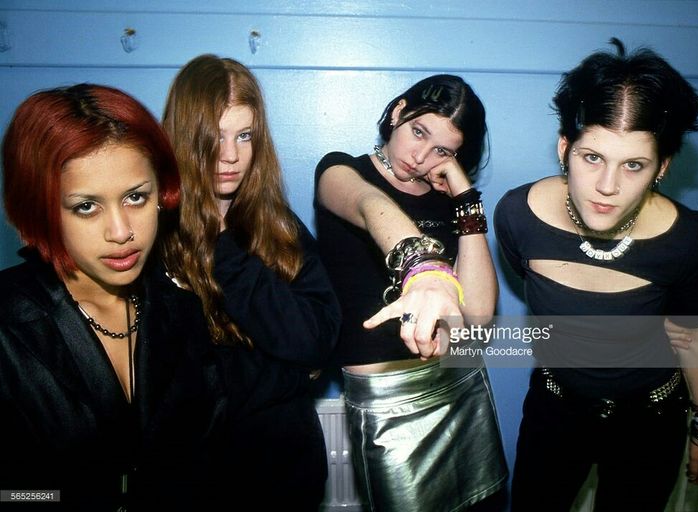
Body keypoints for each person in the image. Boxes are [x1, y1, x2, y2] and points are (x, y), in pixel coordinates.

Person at [493, 38, 698, 511]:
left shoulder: (692, 241)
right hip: (553, 411)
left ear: (662, 167)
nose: (607, 186)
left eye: (633, 165)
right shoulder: (516, 215)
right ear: (564, 148)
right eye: (591, 157)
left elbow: (690, 332)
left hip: (652, 420)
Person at [0, 84, 225, 511]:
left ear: (162, 193)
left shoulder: (182, 312)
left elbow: (206, 464)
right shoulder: (9, 325)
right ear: (40, 209)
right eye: (86, 206)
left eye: (135, 197)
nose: (121, 232)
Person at [315, 74, 508, 511]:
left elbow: (476, 316)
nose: (420, 156)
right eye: (418, 132)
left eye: (442, 149)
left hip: (460, 383)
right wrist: (424, 268)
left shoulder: (445, 199)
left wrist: (464, 196)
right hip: (386, 401)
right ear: (398, 112)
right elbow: (370, 205)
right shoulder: (342, 171)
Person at [160, 54, 341, 509]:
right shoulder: (150, 234)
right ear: (185, 137)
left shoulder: (278, 227)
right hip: (196, 482)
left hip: (287, 473)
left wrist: (224, 251)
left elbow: (315, 340)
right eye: (214, 137)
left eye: (245, 136)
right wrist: (279, 363)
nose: (230, 156)